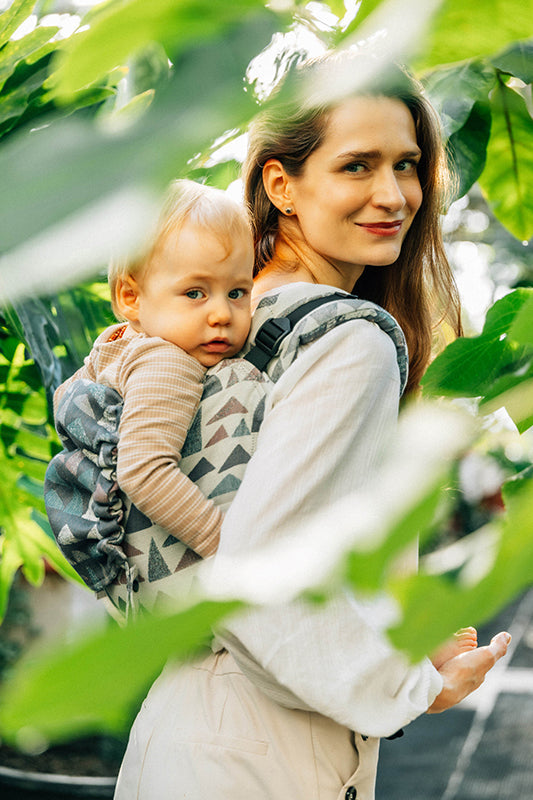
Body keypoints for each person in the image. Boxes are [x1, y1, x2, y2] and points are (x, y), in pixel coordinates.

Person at [114, 55, 510, 799]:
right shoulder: (348, 340)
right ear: (279, 185)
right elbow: (259, 574)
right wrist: (412, 688)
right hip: (264, 749)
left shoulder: (213, 319)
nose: (392, 195)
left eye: (407, 164)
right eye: (356, 166)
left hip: (187, 723)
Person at [52, 180, 254, 610]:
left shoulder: (115, 344)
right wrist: (229, 549)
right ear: (130, 297)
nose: (222, 313)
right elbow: (144, 471)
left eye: (237, 292)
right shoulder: (167, 363)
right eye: (195, 293)